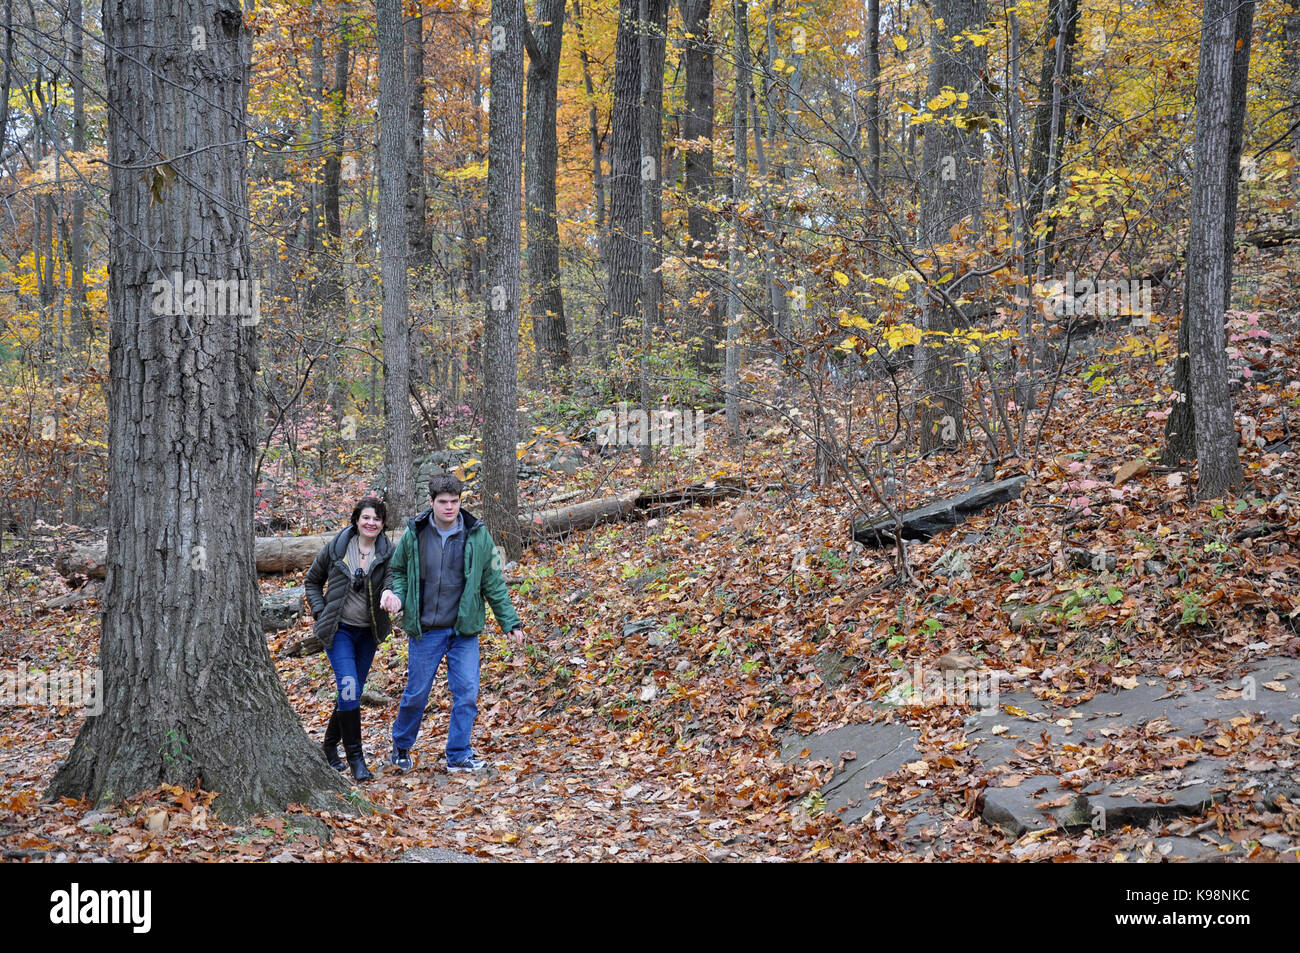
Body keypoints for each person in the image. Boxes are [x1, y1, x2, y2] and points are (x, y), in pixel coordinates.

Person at [381, 474, 523, 773]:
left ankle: (458, 754)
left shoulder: (477, 534)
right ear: (431, 502)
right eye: (443, 502)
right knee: (416, 693)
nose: (449, 507)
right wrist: (398, 597)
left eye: (454, 502)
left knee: (468, 693)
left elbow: (492, 581)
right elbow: (399, 572)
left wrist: (510, 623)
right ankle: (401, 746)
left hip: (463, 630)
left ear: (461, 501)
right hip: (426, 630)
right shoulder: (415, 533)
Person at [304, 495, 395, 781]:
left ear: (382, 525)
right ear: (356, 519)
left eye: (377, 519)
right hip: (338, 630)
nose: (371, 523)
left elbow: (393, 581)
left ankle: (329, 746)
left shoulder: (387, 553)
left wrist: (390, 595)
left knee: (351, 692)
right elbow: (312, 580)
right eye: (366, 517)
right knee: (348, 687)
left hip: (368, 633)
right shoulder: (337, 547)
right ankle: (356, 757)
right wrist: (320, 612)